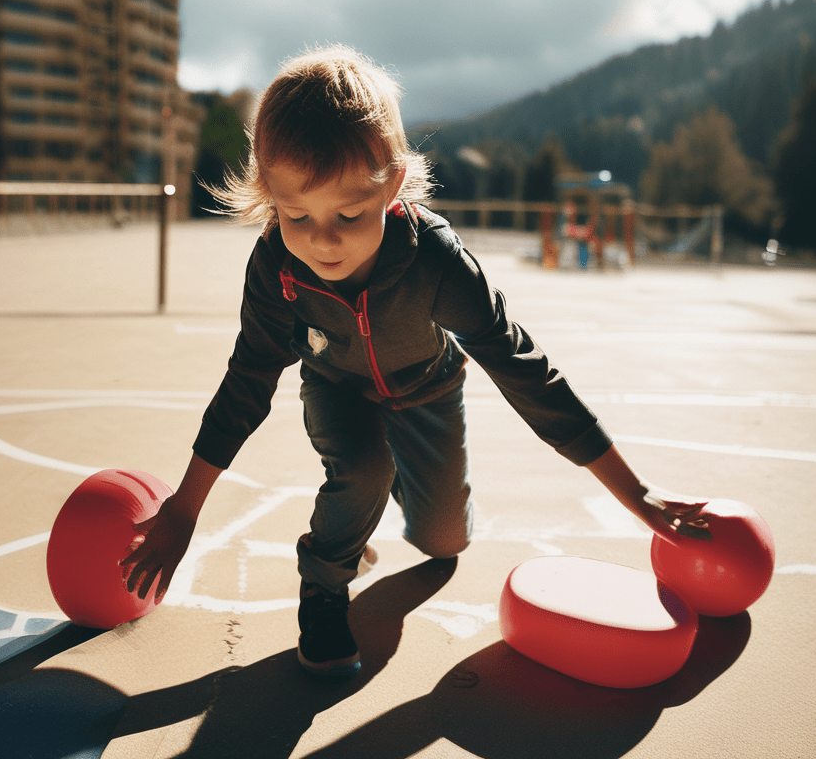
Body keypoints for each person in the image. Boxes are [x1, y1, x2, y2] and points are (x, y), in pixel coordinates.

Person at [120, 45, 709, 679]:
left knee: (443, 544)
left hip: (428, 385)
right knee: (363, 471)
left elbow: (525, 372)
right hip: (337, 386)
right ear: (268, 193)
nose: (322, 239)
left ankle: (404, 495)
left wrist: (638, 493)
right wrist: (184, 507)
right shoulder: (276, 267)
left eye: (348, 214)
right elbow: (246, 383)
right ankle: (323, 585)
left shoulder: (436, 263)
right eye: (296, 215)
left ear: (394, 185)